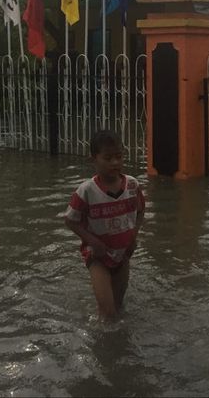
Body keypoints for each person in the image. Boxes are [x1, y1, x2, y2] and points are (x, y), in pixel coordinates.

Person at [63, 129, 145, 320]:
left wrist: (133, 236)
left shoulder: (132, 185)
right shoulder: (86, 191)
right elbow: (70, 220)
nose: (115, 163)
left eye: (118, 156)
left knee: (119, 307)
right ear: (94, 159)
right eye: (108, 158)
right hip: (98, 257)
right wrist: (93, 241)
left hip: (123, 255)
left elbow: (140, 210)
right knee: (107, 314)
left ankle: (118, 345)